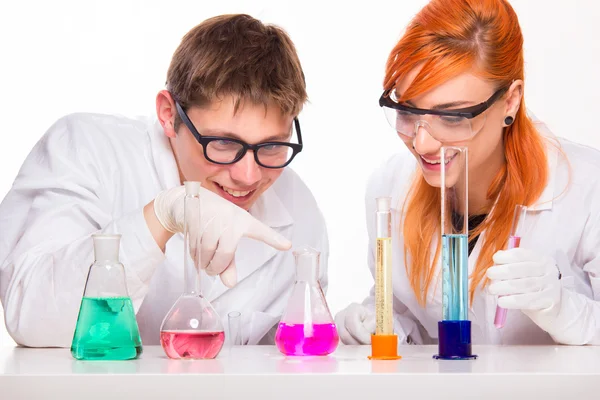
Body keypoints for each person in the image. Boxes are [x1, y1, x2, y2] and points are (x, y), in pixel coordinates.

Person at [0, 14, 328, 347]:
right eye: (224, 143)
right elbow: (32, 319)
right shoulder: (87, 151)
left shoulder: (298, 206)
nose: (248, 176)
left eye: (271, 145)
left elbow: (287, 360)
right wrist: (158, 219)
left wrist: (346, 335)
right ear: (168, 115)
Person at [336, 0, 600, 346]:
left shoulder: (587, 187)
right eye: (407, 110)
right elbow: (409, 318)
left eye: (452, 117)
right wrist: (377, 323)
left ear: (510, 101)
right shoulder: (389, 186)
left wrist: (564, 310)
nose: (423, 143)